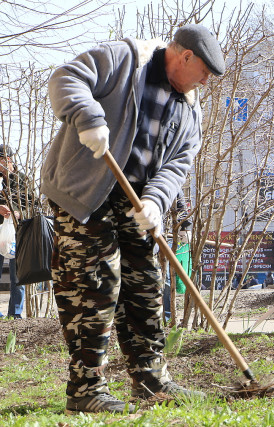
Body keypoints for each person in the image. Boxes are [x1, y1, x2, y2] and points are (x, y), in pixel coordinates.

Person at [43, 24, 224, 414]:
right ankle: (86, 388)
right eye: (204, 71)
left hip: (133, 199)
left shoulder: (190, 109)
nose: (205, 82)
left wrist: (156, 202)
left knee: (145, 282)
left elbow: (178, 164)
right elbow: (66, 77)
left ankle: (151, 379)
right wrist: (89, 117)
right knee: (95, 281)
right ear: (185, 56)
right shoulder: (125, 60)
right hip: (85, 191)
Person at [0, 145, 34, 319]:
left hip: (17, 234)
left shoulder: (22, 180)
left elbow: (34, 206)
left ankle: (16, 314)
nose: (4, 163)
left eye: (6, 159)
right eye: (1, 160)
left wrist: (20, 213)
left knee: (17, 276)